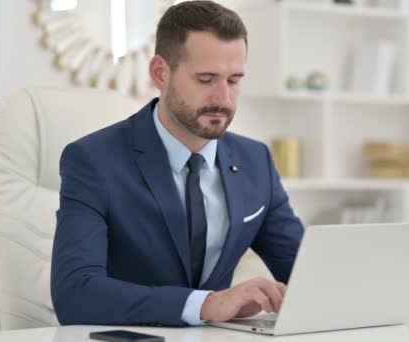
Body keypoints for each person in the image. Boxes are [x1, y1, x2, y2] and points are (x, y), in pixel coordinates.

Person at [51, 0, 304, 326]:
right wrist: (206, 305)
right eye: (206, 79)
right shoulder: (93, 161)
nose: (223, 99)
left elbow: (308, 273)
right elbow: (74, 295)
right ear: (160, 72)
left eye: (234, 80)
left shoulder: (256, 162)